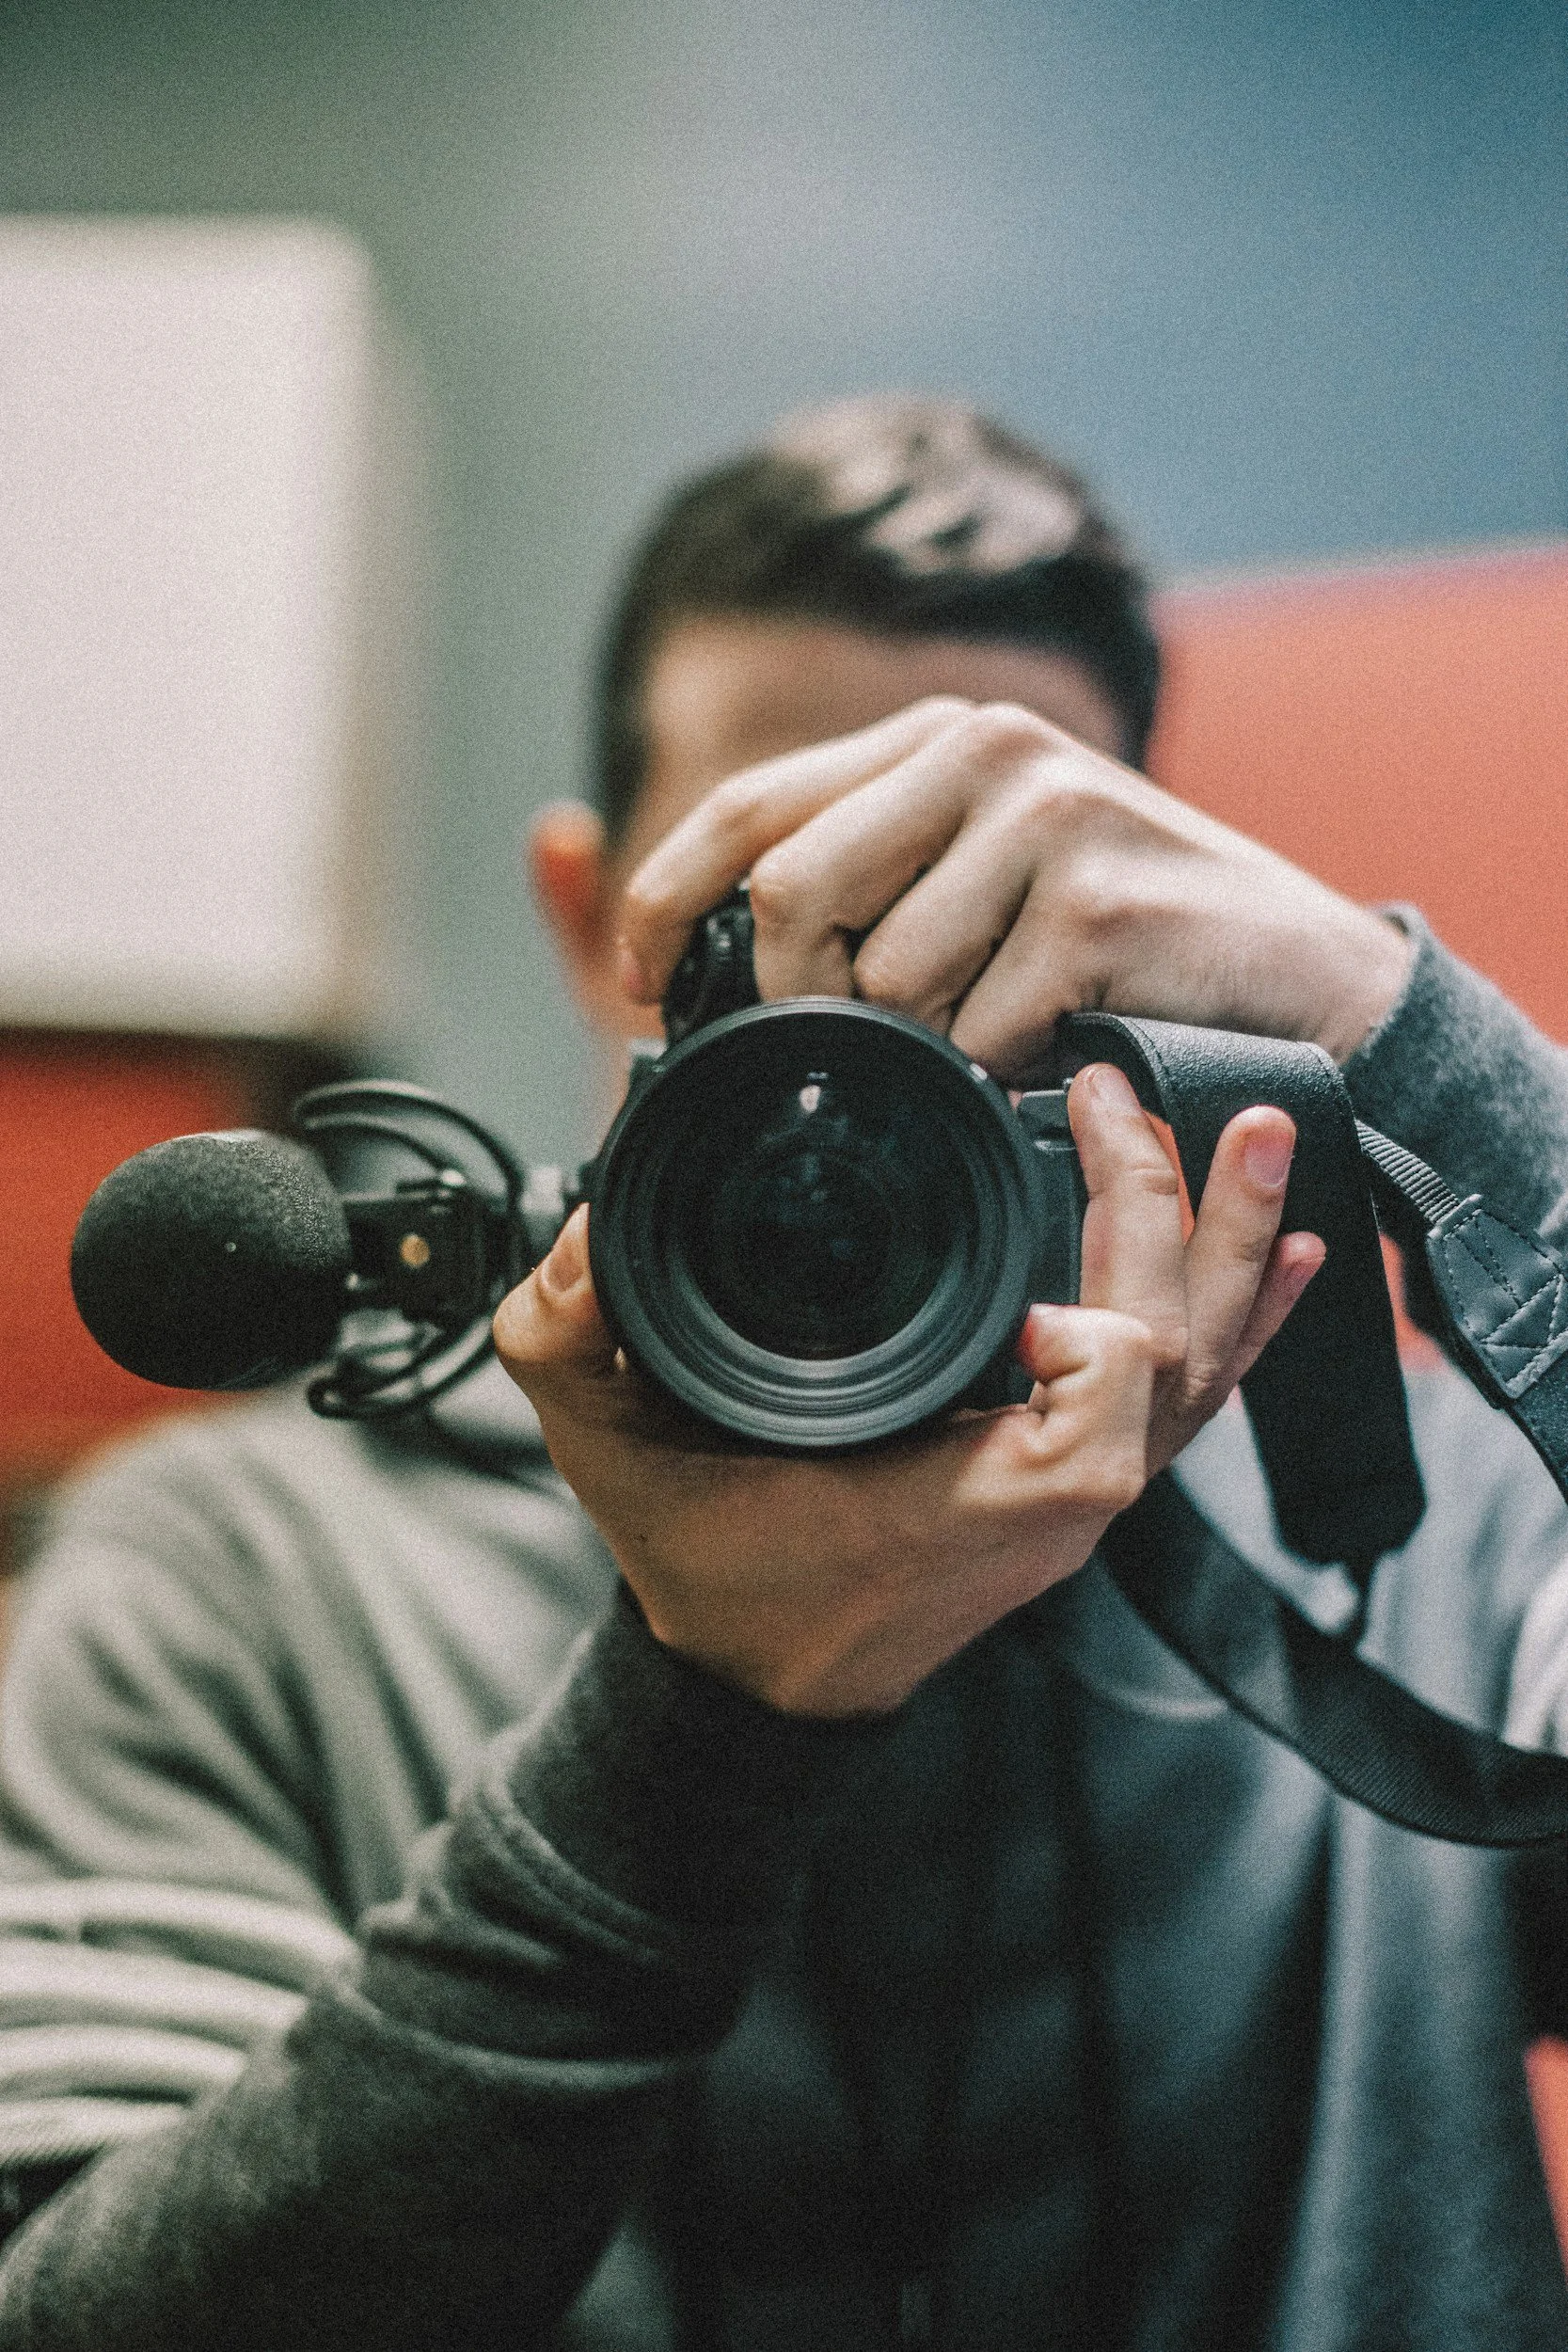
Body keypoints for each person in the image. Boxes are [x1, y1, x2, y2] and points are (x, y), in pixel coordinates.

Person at [1, 396, 1566, 2350]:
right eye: (768, 922)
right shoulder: (231, 1578)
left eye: (985, 919)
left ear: (1149, 947)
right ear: (592, 924)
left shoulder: (1406, 1529)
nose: (874, 1044)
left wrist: (1402, 1036)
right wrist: (703, 1716)